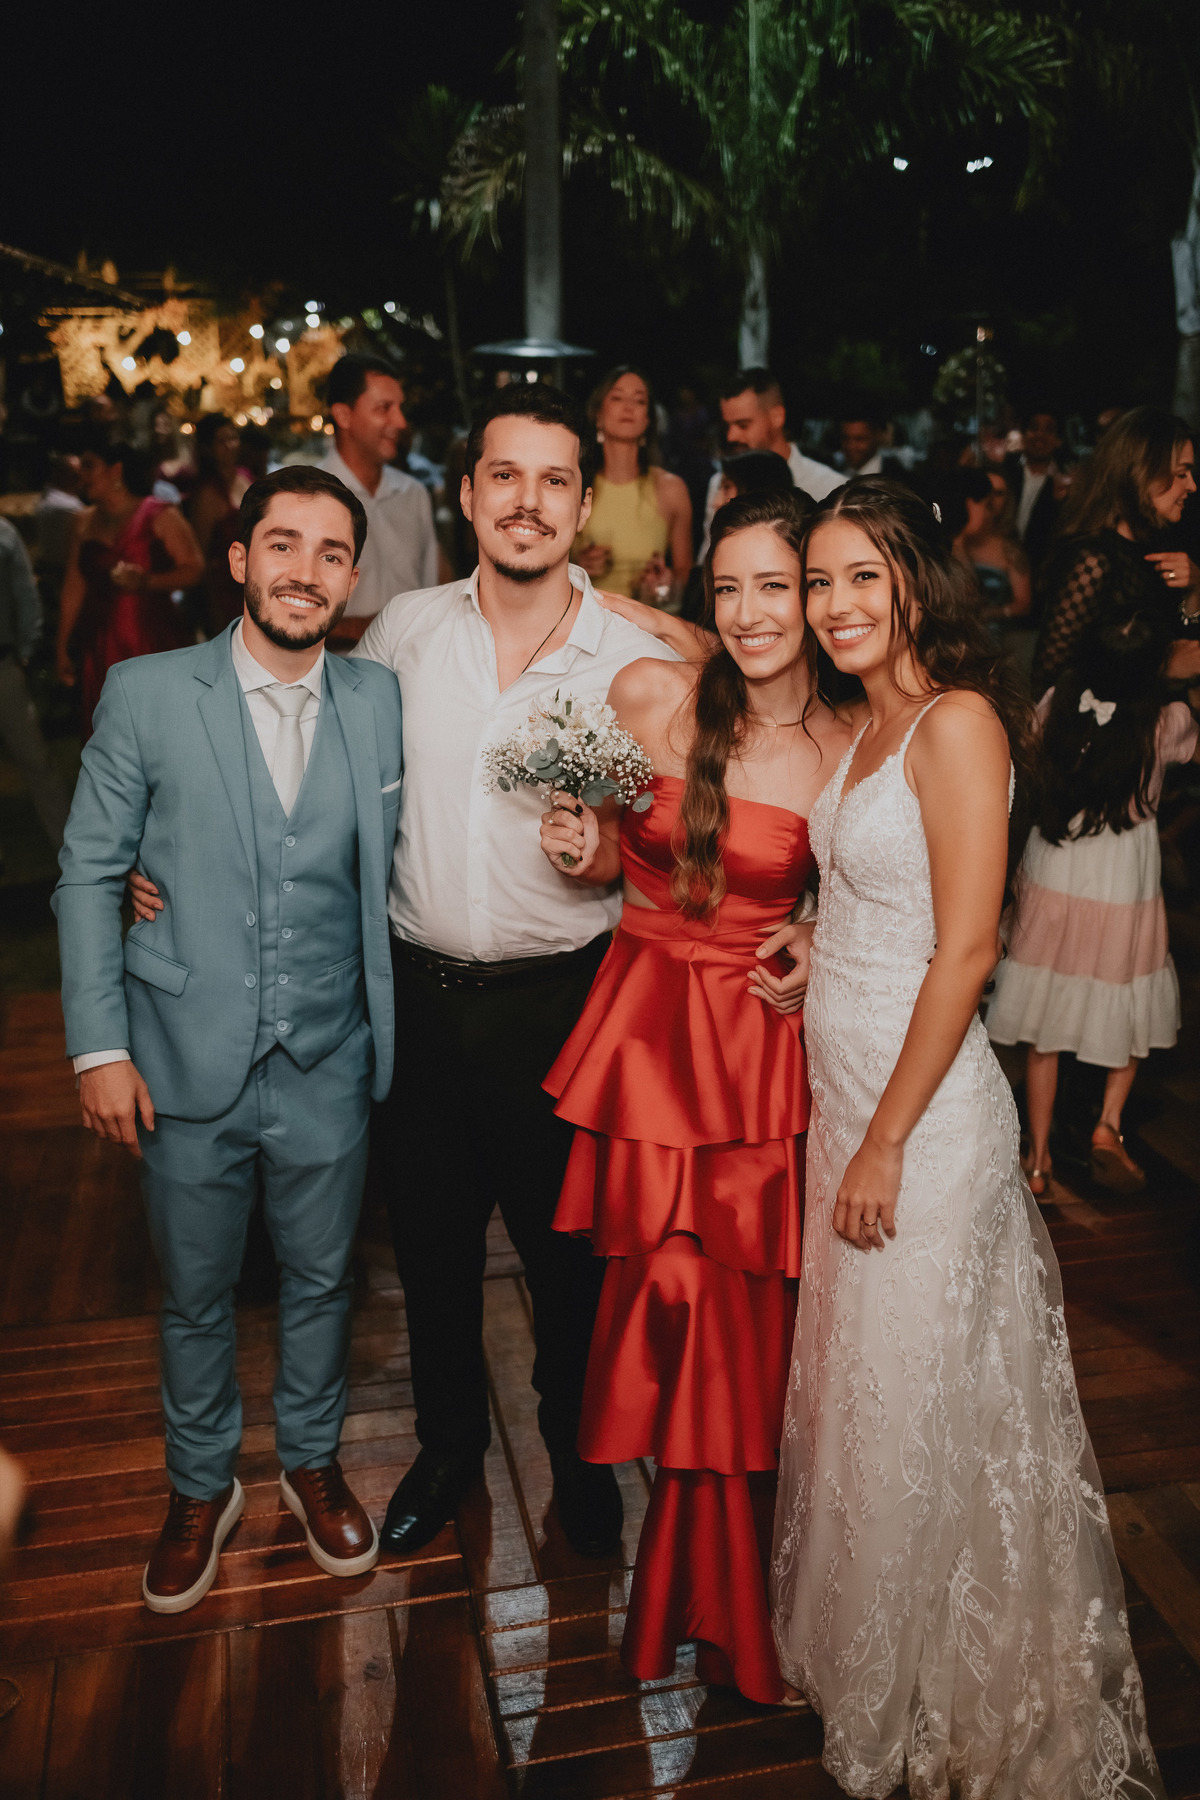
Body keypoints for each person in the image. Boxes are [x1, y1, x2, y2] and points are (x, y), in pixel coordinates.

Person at [770, 479, 1164, 1799]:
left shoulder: (958, 722)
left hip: (920, 1125)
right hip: (845, 1099)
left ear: (913, 583)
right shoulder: (864, 725)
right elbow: (882, 895)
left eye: (859, 578)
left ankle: (954, 1686)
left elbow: (971, 946)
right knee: (869, 1393)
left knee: (929, 1402)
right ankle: (872, 1654)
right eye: (817, 581)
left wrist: (885, 1143)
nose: (833, 606)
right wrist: (814, 937)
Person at [62, 465, 402, 1614]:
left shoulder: (380, 701)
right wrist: (99, 1047)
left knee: (322, 1280)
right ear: (240, 558)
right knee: (196, 1294)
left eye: (331, 553)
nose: (306, 571)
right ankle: (201, 1485)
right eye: (284, 544)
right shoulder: (149, 693)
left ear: (351, 578)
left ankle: (311, 1460)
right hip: (180, 1054)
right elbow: (88, 871)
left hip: (329, 1055)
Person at [350, 383, 680, 1560]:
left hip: (564, 1008)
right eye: (505, 475)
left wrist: (609, 856)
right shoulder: (403, 634)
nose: (526, 501)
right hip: (418, 1002)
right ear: (468, 492)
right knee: (432, 1249)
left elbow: (688, 845)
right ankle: (447, 1450)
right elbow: (326, 777)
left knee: (569, 1260)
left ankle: (582, 1461)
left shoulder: (636, 662)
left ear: (584, 505)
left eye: (553, 480)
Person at [541, 490, 856, 1703]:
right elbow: (606, 860)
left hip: (758, 1070)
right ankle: (697, 1589)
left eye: (776, 585)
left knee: (749, 1338)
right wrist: (582, 849)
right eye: (728, 588)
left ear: (817, 596)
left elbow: (901, 893)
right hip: (647, 1060)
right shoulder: (647, 699)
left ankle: (740, 1595)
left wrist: (821, 929)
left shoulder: (852, 744)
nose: (750, 612)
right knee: (670, 1315)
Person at [987, 602, 1197, 1196]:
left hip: (1055, 865)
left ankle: (1038, 1157)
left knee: (1045, 1019)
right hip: (1122, 878)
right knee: (1128, 991)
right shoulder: (1167, 721)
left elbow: (1027, 758)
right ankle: (1107, 1124)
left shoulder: (1059, 704)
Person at [1031, 407, 1200, 697]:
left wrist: (1196, 588)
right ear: (1142, 473)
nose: (1192, 486)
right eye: (1182, 473)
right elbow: (1050, 680)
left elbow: (1182, 641)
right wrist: (1162, 668)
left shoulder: (1159, 542)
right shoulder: (1093, 559)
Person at [56, 437, 203, 736]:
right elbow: (74, 586)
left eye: (89, 466)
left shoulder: (159, 514)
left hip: (150, 640)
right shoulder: (82, 523)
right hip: (100, 643)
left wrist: (148, 581)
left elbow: (194, 569)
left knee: (160, 730)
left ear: (116, 470)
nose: (81, 474)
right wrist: (61, 645)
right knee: (113, 733)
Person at [321, 353, 443, 647]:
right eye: (384, 408)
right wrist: (369, 629)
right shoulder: (310, 496)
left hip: (412, 663)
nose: (400, 422)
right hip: (336, 666)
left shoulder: (413, 493)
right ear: (343, 415)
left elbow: (432, 589)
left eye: (400, 408)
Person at [571, 366, 693, 611]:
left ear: (648, 419)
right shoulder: (574, 485)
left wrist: (660, 589)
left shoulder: (671, 489)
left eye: (639, 400)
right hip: (587, 618)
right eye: (617, 398)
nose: (628, 407)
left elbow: (683, 578)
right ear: (598, 414)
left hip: (649, 622)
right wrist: (576, 569)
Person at [700, 369, 844, 543]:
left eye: (743, 425)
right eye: (727, 426)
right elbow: (708, 552)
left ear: (777, 417)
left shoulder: (829, 488)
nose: (731, 436)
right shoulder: (719, 484)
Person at [0, 517, 70, 860]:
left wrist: (25, 652)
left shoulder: (3, 533)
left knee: (36, 760)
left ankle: (74, 852)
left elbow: (24, 592)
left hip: (3, 663)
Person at [186, 415, 247, 632]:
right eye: (221, 441)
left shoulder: (247, 477)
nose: (230, 446)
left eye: (233, 438)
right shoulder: (207, 494)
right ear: (208, 448)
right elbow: (200, 552)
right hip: (224, 589)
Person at [954, 465, 1032, 629]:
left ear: (1008, 499)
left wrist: (989, 614)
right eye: (986, 491)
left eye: (998, 493)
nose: (990, 499)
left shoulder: (1011, 550)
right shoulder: (956, 539)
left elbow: (1023, 604)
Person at [1004, 407, 1067, 578]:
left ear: (1058, 440)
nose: (1040, 435)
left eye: (1048, 430)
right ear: (1024, 435)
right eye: (1033, 428)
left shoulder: (1064, 482)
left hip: (1042, 574)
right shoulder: (1006, 473)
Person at [837, 415, 901, 478]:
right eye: (845, 439)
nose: (851, 446)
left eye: (859, 439)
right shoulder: (838, 473)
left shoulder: (895, 476)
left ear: (877, 437)